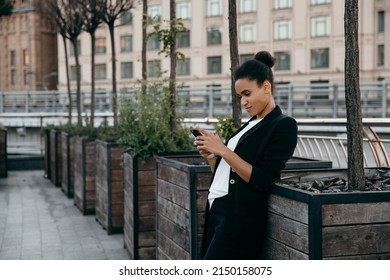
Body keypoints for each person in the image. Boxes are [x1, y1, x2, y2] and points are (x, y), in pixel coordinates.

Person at [193, 51, 298, 260]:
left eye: (247, 94)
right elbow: (230, 172)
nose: (243, 102)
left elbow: (264, 178)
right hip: (217, 208)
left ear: (266, 87)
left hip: (237, 218)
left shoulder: (283, 125)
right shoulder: (249, 125)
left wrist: (223, 149)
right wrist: (213, 157)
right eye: (240, 96)